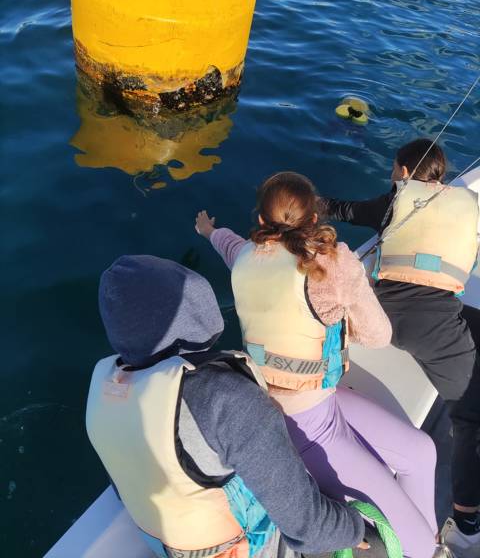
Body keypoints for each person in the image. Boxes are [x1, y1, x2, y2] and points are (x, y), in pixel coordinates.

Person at [195, 172, 439, 558]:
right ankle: (424, 549)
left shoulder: (245, 256)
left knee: (422, 451)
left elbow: (228, 245)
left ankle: (424, 542)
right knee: (415, 541)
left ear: (261, 222)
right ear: (313, 219)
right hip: (306, 426)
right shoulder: (331, 264)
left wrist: (208, 230)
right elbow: (377, 335)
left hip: (320, 400)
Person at [86, 254, 385, 558]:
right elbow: (309, 528)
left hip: (169, 547)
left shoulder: (108, 392)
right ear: (199, 311)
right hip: (247, 546)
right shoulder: (223, 396)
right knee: (375, 547)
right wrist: (354, 528)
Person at [322, 139, 480, 557]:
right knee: (468, 418)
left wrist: (305, 207)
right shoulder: (468, 206)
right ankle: (466, 524)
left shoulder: (394, 201)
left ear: (406, 174)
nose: (393, 177)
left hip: (382, 314)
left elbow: (342, 209)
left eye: (394, 170)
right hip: (433, 326)